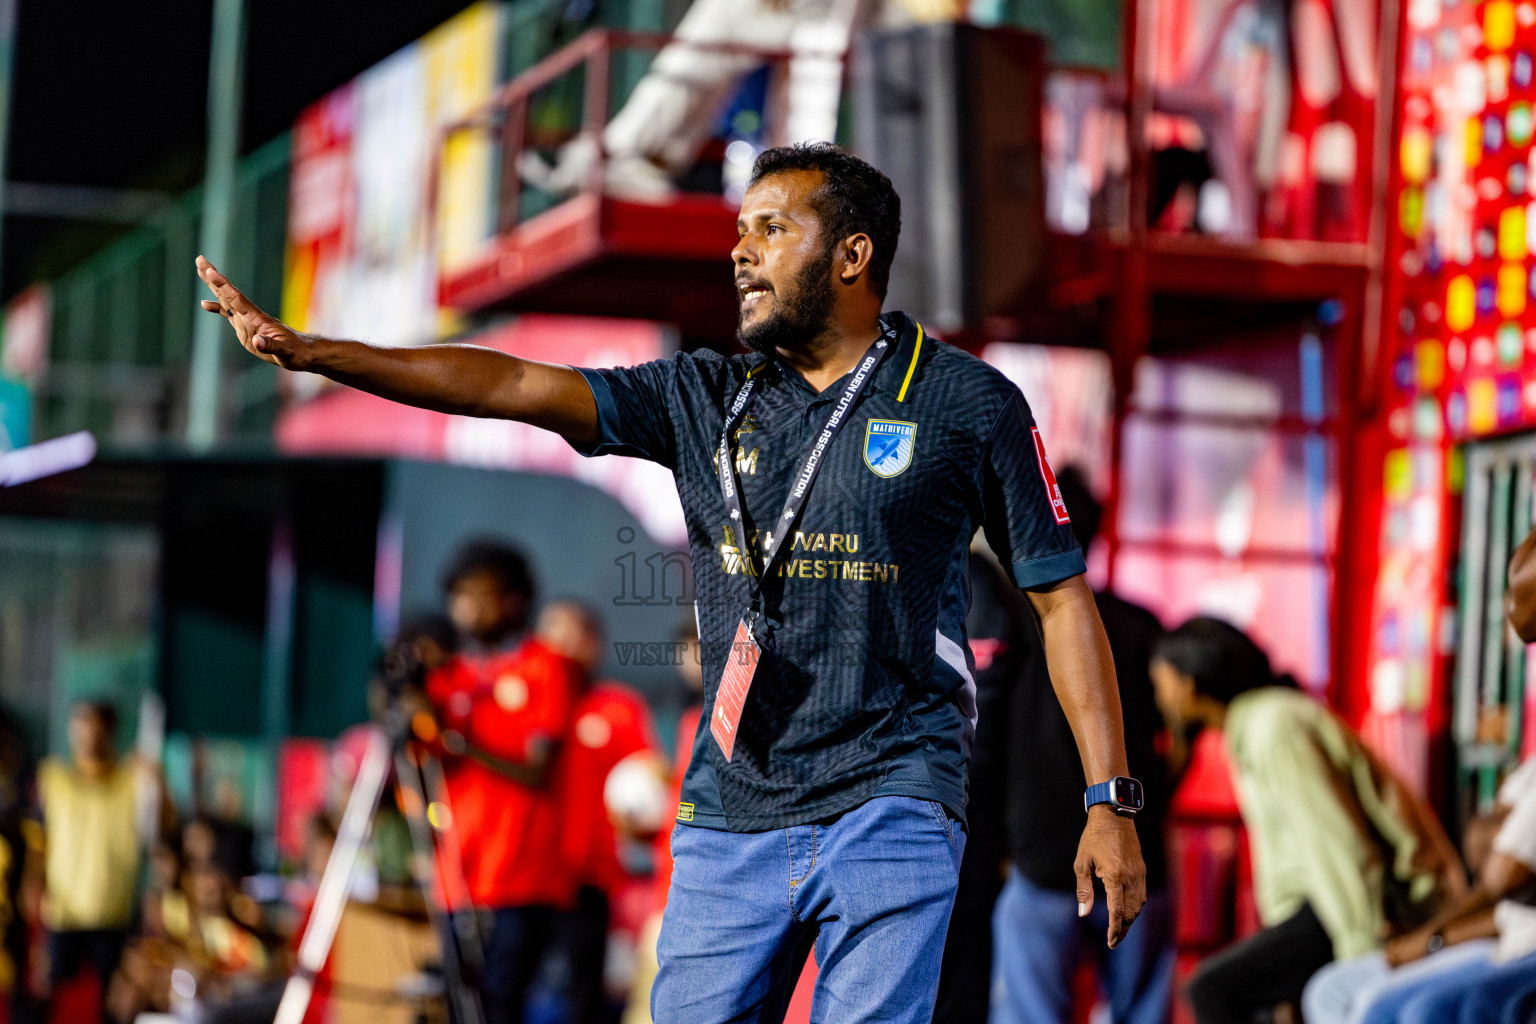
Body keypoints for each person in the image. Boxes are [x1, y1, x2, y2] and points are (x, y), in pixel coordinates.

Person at [197, 140, 1146, 1024]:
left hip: (893, 799)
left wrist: (1109, 800)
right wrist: (321, 354)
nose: (742, 252)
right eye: (740, 231)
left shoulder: (965, 403)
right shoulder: (701, 397)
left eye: (772, 229)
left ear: (853, 256)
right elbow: (513, 386)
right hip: (730, 814)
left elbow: (1061, 601)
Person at [1150, 618, 1463, 1024]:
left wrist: (1362, 965)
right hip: (1328, 909)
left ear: (1189, 684)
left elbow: (1341, 849)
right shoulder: (1257, 725)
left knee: (1213, 990)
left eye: (1161, 684)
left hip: (1375, 906)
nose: (1159, 699)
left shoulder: (1274, 728)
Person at [983, 465, 1174, 1024]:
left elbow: (987, 739)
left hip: (1038, 855)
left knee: (1029, 1012)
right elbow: (1179, 732)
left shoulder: (1014, 622)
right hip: (1133, 854)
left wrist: (994, 839)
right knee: (1140, 1010)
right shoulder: (1142, 626)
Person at [425, 541, 585, 1024]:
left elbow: (539, 769)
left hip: (521, 882)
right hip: (456, 880)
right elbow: (416, 759)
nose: (464, 609)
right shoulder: (450, 675)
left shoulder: (546, 667)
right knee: (454, 1007)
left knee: (500, 1009)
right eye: (457, 596)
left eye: (477, 595)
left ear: (513, 600)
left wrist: (461, 742)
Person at [539, 599, 659, 1024]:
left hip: (592, 882)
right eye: (552, 633)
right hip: (524, 879)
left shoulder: (618, 708)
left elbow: (650, 787)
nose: (563, 645)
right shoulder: (522, 705)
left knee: (584, 997)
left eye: (574, 634)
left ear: (596, 645)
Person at [29, 701, 167, 1024]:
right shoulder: (53, 779)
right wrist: (33, 896)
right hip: (62, 918)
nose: (87, 734)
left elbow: (159, 834)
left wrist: (157, 783)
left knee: (112, 1010)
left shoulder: (133, 783)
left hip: (114, 920)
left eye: (94, 725)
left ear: (110, 731)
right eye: (80, 724)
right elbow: (38, 843)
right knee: (52, 1008)